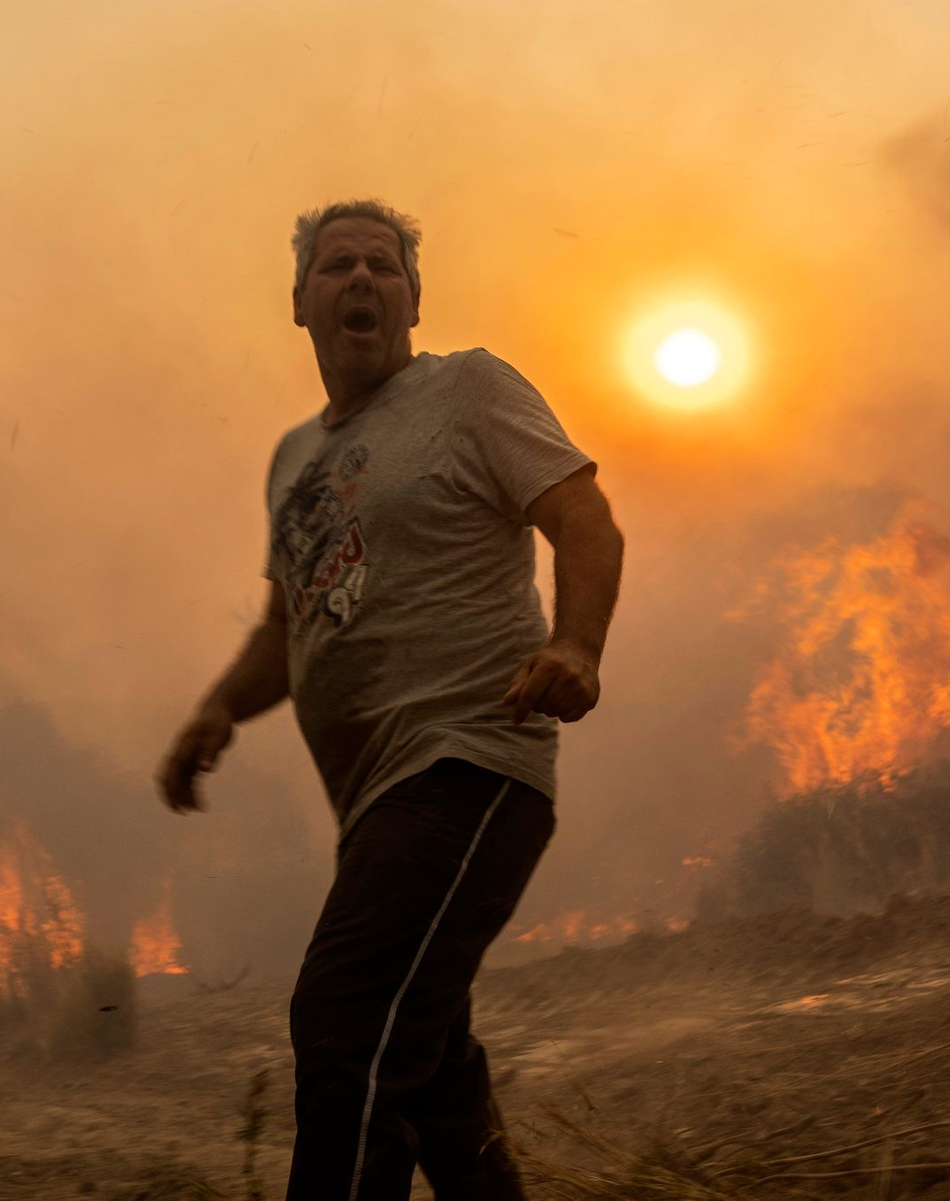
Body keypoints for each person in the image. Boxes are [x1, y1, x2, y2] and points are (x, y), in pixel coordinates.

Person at [156, 198, 625, 1200]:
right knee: (431, 1070)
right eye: (338, 266)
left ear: (415, 297)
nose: (362, 279)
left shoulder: (469, 390)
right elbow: (289, 631)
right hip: (376, 806)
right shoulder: (294, 461)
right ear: (299, 302)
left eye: (384, 264)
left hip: (469, 762)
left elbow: (584, 517)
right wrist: (215, 711)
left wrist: (577, 643)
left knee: (346, 1018)